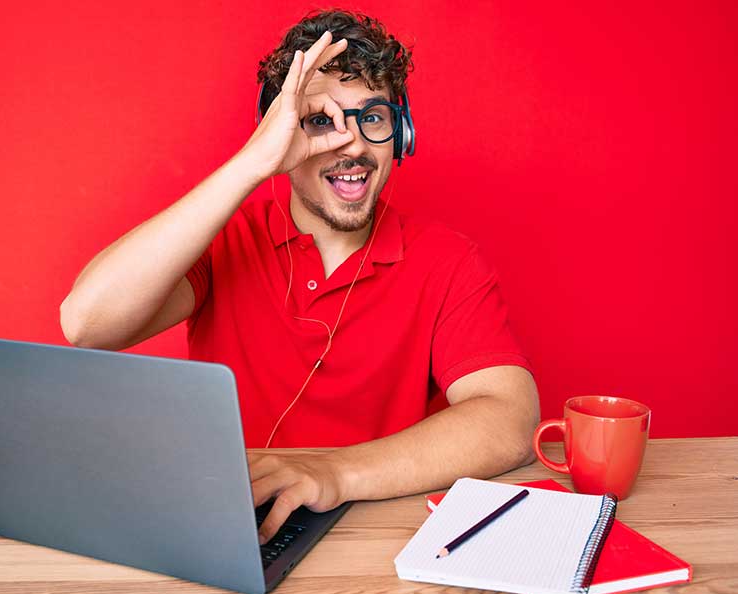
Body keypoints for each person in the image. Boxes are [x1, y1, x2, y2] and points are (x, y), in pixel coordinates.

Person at [60, 9, 540, 545]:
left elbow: (509, 420)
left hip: (376, 531)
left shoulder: (447, 260)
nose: (351, 144)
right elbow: (87, 324)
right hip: (234, 523)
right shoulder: (224, 241)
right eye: (319, 121)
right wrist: (252, 163)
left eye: (372, 117)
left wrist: (333, 473)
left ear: (400, 133)